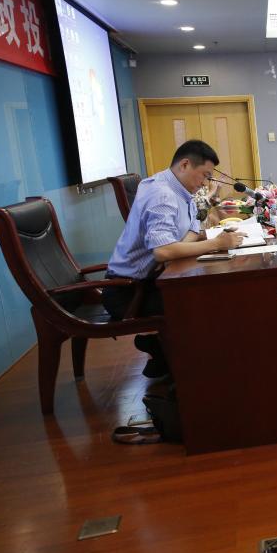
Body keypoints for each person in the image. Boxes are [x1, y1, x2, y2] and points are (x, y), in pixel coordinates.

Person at [105, 140, 244, 376]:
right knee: (203, 303)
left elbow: (189, 235)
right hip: (129, 292)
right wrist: (217, 244)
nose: (205, 183)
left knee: (209, 293)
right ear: (185, 165)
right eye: (205, 175)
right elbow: (163, 251)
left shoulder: (178, 189)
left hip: (152, 280)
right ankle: (186, 373)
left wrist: (201, 240)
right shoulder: (162, 195)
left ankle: (166, 359)